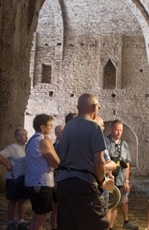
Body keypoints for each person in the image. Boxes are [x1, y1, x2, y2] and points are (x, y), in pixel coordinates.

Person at [55, 93, 109, 230]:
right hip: (83, 185)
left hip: (63, 184)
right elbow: (99, 161)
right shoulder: (94, 127)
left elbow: (60, 155)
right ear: (95, 108)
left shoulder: (67, 127)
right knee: (95, 225)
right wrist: (101, 180)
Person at [25, 114, 60, 230]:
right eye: (50, 125)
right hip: (42, 182)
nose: (51, 127)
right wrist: (51, 145)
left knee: (36, 217)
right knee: (40, 220)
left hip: (32, 182)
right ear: (42, 127)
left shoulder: (32, 140)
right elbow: (55, 163)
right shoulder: (42, 141)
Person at [105, 120, 138, 230]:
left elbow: (127, 163)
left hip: (121, 178)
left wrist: (127, 181)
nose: (119, 133)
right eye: (116, 130)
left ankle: (113, 225)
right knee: (110, 203)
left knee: (121, 201)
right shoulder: (105, 142)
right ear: (111, 129)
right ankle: (108, 226)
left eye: (121, 130)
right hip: (109, 179)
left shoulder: (124, 145)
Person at [0, 128, 29, 230]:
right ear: (18, 137)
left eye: (26, 135)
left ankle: (21, 221)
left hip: (24, 178)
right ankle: (10, 222)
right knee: (13, 200)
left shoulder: (27, 148)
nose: (26, 137)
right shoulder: (12, 148)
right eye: (23, 135)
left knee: (22, 200)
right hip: (14, 178)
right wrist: (8, 165)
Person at [96, 116, 117, 211]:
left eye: (103, 126)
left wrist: (110, 172)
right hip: (95, 183)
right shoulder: (91, 140)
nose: (103, 128)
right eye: (100, 125)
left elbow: (107, 159)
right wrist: (108, 166)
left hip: (104, 182)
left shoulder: (101, 140)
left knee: (104, 210)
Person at [50, 124, 64, 230]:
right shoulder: (53, 147)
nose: (62, 133)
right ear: (56, 134)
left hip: (65, 176)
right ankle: (53, 226)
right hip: (56, 177)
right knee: (56, 204)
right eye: (60, 131)